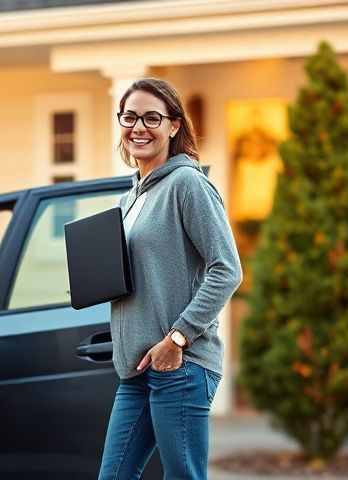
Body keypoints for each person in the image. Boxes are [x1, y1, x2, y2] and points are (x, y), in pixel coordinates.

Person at [97, 78, 242, 480]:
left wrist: (177, 338)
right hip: (136, 369)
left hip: (180, 364)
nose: (138, 127)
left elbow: (226, 268)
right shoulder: (130, 199)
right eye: (129, 117)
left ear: (174, 126)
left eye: (151, 118)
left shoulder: (188, 184)